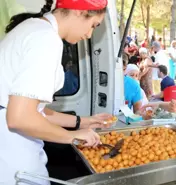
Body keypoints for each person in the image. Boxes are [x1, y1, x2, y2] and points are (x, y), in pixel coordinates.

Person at [0, 0, 112, 184]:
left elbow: (35, 110)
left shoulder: (34, 28)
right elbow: (19, 118)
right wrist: (72, 137)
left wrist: (83, 122)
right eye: (93, 25)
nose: (90, 34)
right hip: (12, 151)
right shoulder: (45, 39)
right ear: (79, 11)